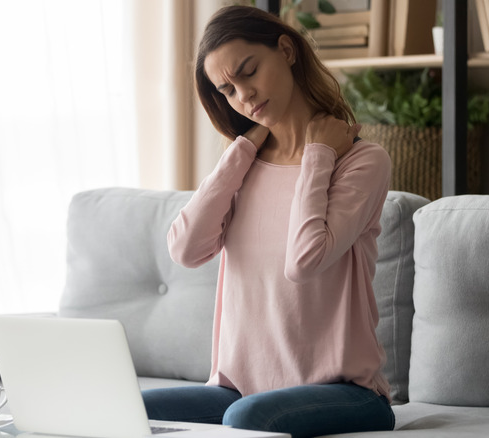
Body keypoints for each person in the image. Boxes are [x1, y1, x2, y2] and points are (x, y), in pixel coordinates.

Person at [143, 5, 394, 438]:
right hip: (239, 392)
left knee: (245, 420)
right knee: (120, 404)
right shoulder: (244, 167)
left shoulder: (361, 161)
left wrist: (319, 156)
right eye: (228, 89)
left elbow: (304, 260)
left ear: (286, 50)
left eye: (249, 71)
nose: (244, 96)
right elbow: (185, 250)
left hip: (344, 393)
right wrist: (240, 152)